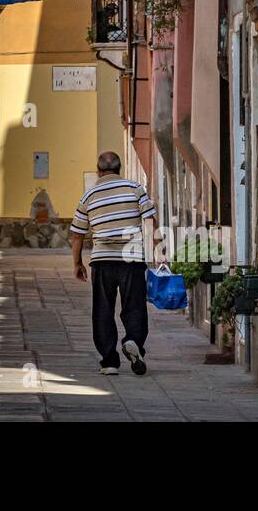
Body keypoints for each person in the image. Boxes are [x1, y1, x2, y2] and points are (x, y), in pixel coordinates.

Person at [69, 151, 157, 375]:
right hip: (132, 258)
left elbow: (77, 235)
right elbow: (150, 221)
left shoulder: (89, 196)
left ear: (99, 171)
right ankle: (134, 340)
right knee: (134, 305)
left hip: (102, 261)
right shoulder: (135, 189)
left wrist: (77, 263)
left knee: (103, 309)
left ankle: (109, 361)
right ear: (120, 169)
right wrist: (159, 247)